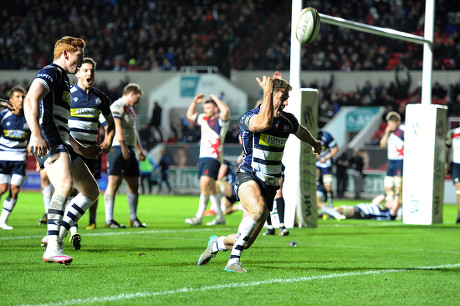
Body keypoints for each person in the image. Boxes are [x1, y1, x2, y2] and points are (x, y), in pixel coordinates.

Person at [196, 76, 322, 272]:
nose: (286, 102)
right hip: (249, 176)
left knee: (245, 241)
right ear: (270, 97)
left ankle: (216, 244)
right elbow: (261, 125)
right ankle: (233, 262)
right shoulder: (249, 117)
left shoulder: (287, 120)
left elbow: (300, 131)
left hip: (270, 184)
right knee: (259, 208)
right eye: (282, 97)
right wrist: (267, 92)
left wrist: (314, 143)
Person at [24, 36, 101, 265]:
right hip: (48, 139)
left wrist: (80, 149)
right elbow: (30, 99)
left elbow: (62, 124)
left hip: (62, 140)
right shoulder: (52, 72)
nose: (81, 61)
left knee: (90, 190)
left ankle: (56, 235)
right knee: (65, 186)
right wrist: (36, 134)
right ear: (66, 53)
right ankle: (53, 246)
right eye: (79, 56)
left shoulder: (64, 80)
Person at [68, 57, 115, 233]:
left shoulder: (100, 98)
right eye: (85, 70)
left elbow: (110, 124)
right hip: (73, 149)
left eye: (92, 71)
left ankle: (90, 221)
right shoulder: (68, 95)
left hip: (92, 152)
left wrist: (109, 139)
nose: (89, 74)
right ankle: (71, 228)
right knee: (70, 189)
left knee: (92, 189)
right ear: (78, 73)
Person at [103, 83, 147, 228]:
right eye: (138, 98)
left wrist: (139, 149)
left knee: (134, 183)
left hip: (129, 149)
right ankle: (109, 219)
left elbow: (133, 131)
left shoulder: (131, 110)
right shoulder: (117, 106)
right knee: (114, 184)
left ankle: (133, 218)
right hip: (118, 148)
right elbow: (116, 127)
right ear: (132, 94)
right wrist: (122, 146)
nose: (138, 102)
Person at [184, 93, 230, 226]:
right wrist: (194, 102)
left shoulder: (221, 121)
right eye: (204, 108)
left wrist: (216, 99)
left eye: (208, 108)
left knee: (204, 185)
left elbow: (226, 111)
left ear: (215, 109)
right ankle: (220, 218)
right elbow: (190, 116)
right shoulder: (204, 119)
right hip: (203, 157)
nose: (205, 110)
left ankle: (198, 217)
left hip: (214, 157)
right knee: (210, 188)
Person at [0, 86, 29, 230]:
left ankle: (3, 220)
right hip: (3, 157)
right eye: (17, 97)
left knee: (15, 190)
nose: (21, 100)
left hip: (19, 158)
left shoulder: (29, 116)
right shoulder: (3, 115)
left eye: (23, 97)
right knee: (2, 189)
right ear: (10, 100)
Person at [379, 111, 404, 207]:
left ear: (398, 122)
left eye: (393, 122)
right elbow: (382, 145)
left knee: (398, 186)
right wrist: (386, 134)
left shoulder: (403, 131)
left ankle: (400, 207)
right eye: (390, 122)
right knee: (388, 186)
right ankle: (390, 206)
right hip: (391, 161)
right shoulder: (388, 132)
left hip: (400, 160)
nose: (391, 124)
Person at [264, 164, 289, 236]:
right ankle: (270, 227)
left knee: (278, 192)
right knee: (265, 195)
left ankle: (281, 225)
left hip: (275, 164)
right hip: (264, 165)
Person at [316, 130, 338, 207]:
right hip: (316, 162)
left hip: (326, 163)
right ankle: (316, 202)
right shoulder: (309, 136)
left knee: (328, 185)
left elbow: (335, 148)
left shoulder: (326, 136)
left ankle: (331, 203)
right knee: (314, 182)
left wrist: (326, 157)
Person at [445, 127, 460, 223]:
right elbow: (447, 149)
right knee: (459, 190)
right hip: (456, 164)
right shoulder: (453, 133)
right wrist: (446, 164)